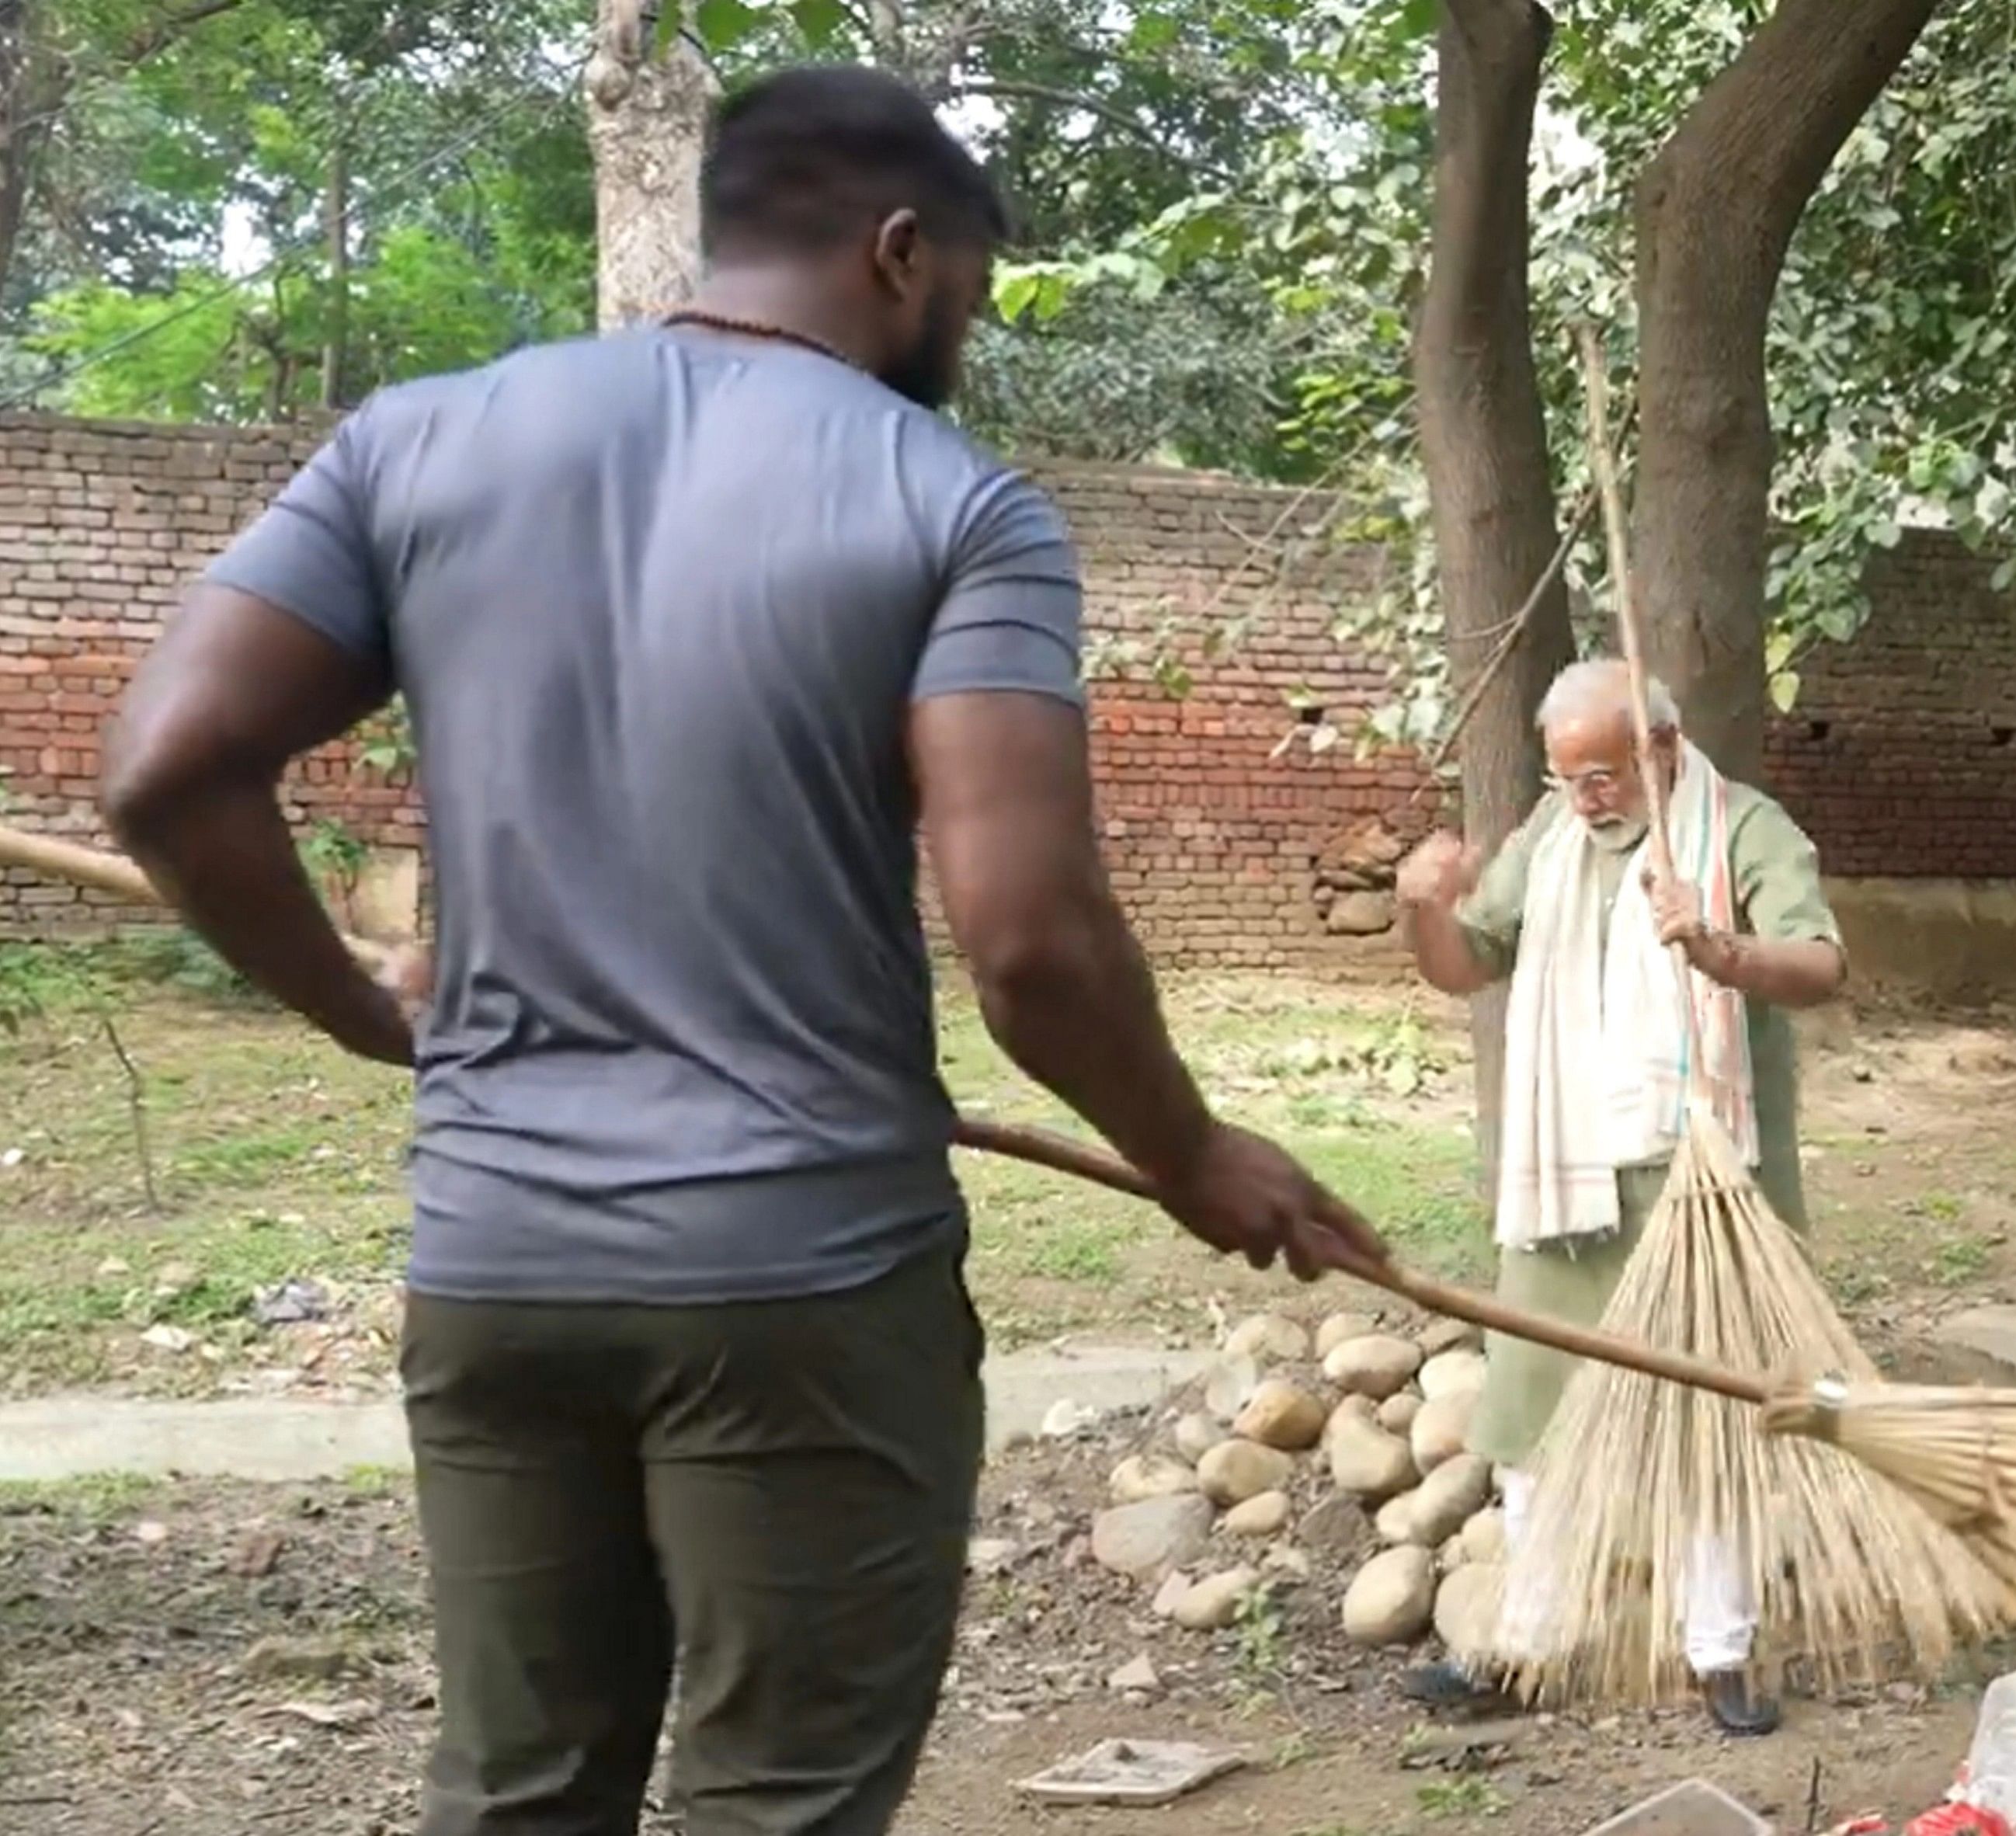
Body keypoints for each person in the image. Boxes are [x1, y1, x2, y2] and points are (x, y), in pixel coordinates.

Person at [97, 64, 1379, 1836]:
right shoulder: (953, 503)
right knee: (777, 1805)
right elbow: (1030, 947)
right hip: (803, 1279)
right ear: (901, 250)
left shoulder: (415, 438)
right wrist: (1189, 1154)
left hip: (497, 1264)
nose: (964, 337)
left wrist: (355, 1016)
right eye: (972, 296)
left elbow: (162, 770)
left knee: (520, 1797)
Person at [1389, 657, 1848, 1737]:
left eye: (1601, 774)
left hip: (1703, 1180)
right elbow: (1469, 964)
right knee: (1532, 1415)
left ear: (1666, 748)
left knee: (1713, 1416)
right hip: (1568, 1175)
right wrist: (1424, 912)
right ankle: (1531, 1645)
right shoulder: (1548, 843)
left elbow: (1823, 967)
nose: (1585, 797)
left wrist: (1718, 944)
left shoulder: (1743, 829)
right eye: (1568, 778)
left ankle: (1720, 1652)